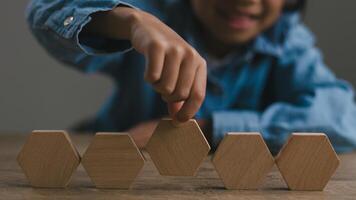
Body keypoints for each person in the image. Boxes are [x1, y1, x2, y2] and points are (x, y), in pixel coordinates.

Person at [26, 0, 356, 154]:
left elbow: (343, 120)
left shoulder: (287, 42)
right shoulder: (160, 13)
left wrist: (211, 129)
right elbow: (44, 10)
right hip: (111, 167)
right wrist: (129, 22)